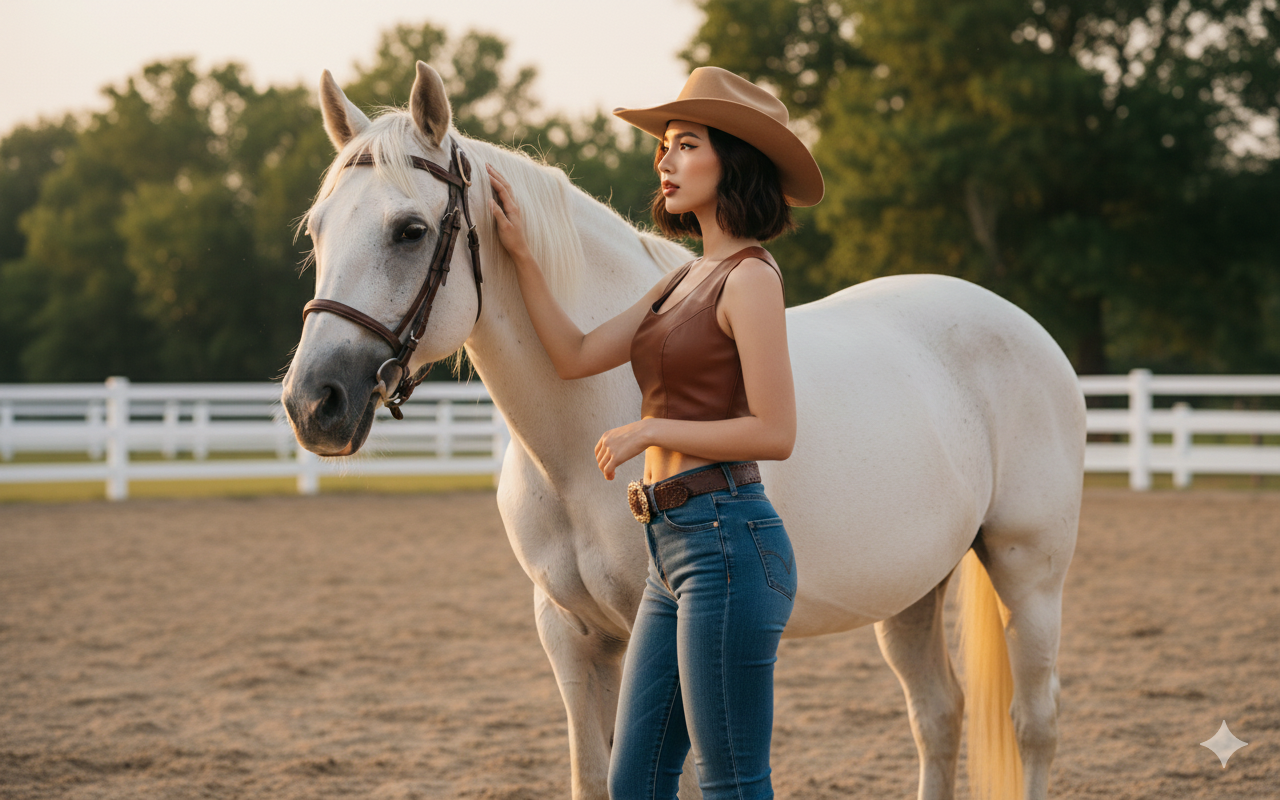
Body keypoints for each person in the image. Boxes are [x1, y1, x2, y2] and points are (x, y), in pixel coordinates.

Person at [485, 66, 823, 800]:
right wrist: (521, 256)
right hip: (668, 552)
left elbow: (776, 430)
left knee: (732, 782)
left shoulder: (750, 279)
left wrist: (651, 428)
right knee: (633, 782)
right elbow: (573, 355)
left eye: (685, 144)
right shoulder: (678, 281)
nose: (664, 161)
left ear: (730, 162)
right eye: (663, 146)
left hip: (731, 544)